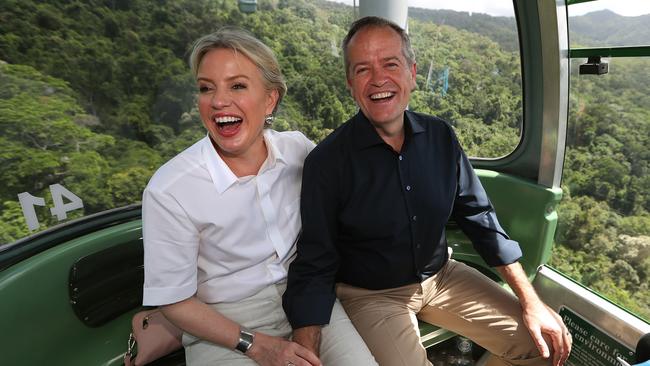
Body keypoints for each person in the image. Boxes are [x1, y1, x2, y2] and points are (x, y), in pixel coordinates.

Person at [283, 16, 572, 366]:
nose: (378, 80)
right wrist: (306, 348)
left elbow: (479, 217)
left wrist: (531, 301)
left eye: (391, 64)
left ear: (412, 72)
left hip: (443, 275)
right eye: (362, 69)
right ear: (349, 83)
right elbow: (315, 263)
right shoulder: (328, 162)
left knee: (543, 343)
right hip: (373, 295)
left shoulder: (440, 137)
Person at [142, 28, 376, 366]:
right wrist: (257, 345)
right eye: (207, 88)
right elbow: (176, 303)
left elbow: (346, 201)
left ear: (270, 99)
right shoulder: (170, 189)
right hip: (222, 320)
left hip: (306, 294)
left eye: (237, 85)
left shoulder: (297, 150)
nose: (219, 101)